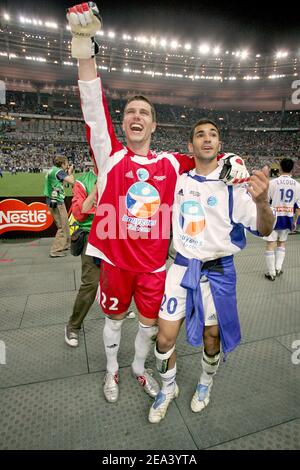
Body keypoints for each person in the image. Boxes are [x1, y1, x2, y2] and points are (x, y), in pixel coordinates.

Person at [66, 3, 250, 404]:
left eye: (144, 113)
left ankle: (137, 370)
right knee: (113, 320)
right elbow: (93, 110)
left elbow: (210, 156)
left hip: (154, 266)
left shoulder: (170, 163)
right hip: (115, 261)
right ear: (125, 121)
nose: (136, 116)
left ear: (152, 125)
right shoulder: (109, 154)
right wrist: (84, 49)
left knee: (149, 328)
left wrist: (234, 161)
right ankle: (112, 372)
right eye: (130, 111)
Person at [148, 119, 275, 423]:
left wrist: (261, 202)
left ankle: (205, 382)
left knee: (211, 337)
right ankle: (168, 388)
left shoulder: (236, 186)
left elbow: (265, 227)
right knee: (164, 339)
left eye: (214, 135)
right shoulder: (178, 181)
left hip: (218, 272)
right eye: (200, 135)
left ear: (220, 146)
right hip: (181, 268)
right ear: (190, 147)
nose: (207, 139)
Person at [65, 167, 136, 347]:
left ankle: (119, 309)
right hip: (91, 235)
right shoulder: (83, 181)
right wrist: (97, 189)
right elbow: (79, 214)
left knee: (119, 277)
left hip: (115, 234)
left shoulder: (119, 175)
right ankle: (73, 326)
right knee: (90, 282)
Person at [264, 158, 300, 281]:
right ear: (292, 169)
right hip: (288, 217)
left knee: (270, 244)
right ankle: (278, 268)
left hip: (273, 217)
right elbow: (298, 208)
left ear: (280, 168)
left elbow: (265, 202)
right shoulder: (297, 185)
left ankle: (271, 272)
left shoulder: (272, 183)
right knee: (282, 243)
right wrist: (295, 221)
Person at [44, 155, 74, 257]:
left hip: (53, 200)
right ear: (62, 163)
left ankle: (65, 244)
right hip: (57, 202)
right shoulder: (58, 171)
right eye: (66, 163)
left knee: (65, 223)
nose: (67, 165)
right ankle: (55, 250)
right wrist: (70, 172)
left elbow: (63, 184)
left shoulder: (53, 170)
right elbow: (72, 182)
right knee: (62, 225)